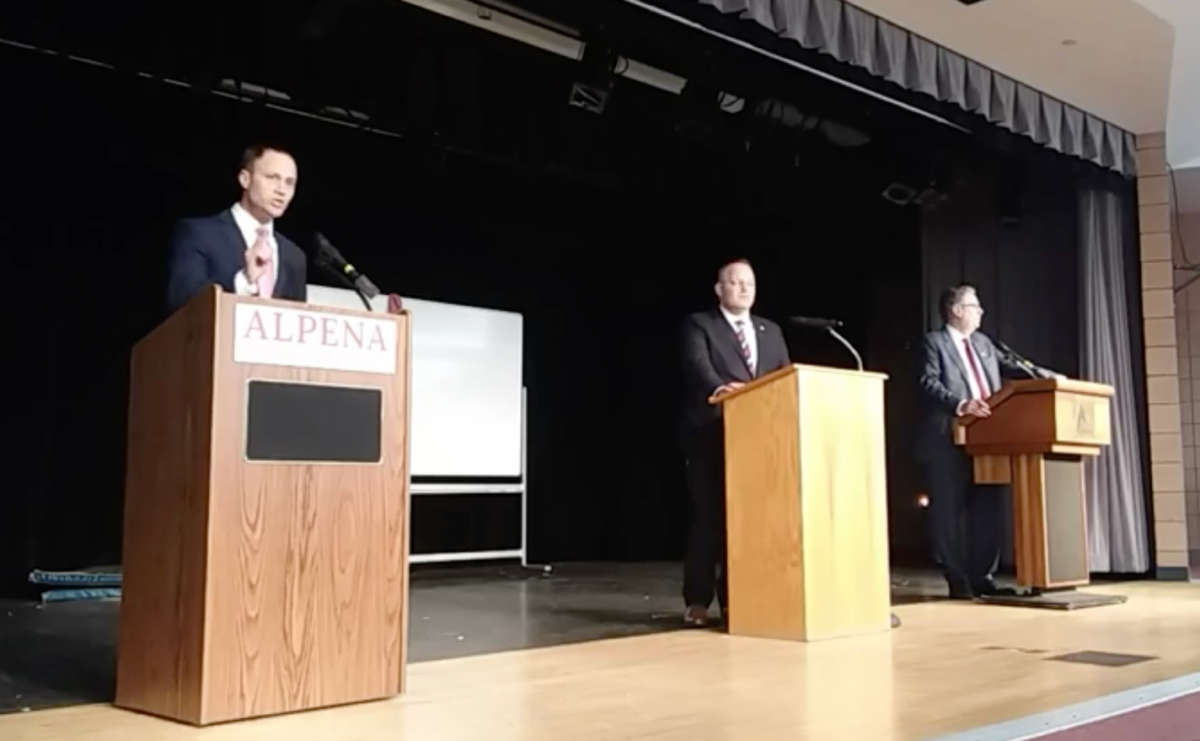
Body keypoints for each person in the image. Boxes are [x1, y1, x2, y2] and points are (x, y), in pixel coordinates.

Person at [916, 284, 1056, 599]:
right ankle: (957, 578)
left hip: (990, 437)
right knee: (949, 511)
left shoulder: (984, 344)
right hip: (949, 436)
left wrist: (1051, 379)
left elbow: (1018, 368)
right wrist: (960, 404)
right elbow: (927, 382)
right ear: (956, 310)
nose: (981, 312)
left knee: (988, 508)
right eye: (974, 306)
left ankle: (982, 576)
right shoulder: (934, 342)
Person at [679, 258, 790, 627]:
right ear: (719, 289)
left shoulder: (770, 330)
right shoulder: (701, 324)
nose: (744, 289)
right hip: (712, 432)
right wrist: (720, 388)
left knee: (750, 521)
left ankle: (739, 599)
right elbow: (698, 366)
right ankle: (698, 600)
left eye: (750, 284)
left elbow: (783, 377)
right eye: (736, 282)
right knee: (709, 517)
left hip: (759, 438)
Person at [165, 144, 307, 313]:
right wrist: (244, 282)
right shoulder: (198, 234)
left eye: (289, 182)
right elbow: (181, 302)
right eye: (272, 178)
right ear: (245, 179)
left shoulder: (295, 256)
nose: (282, 190)